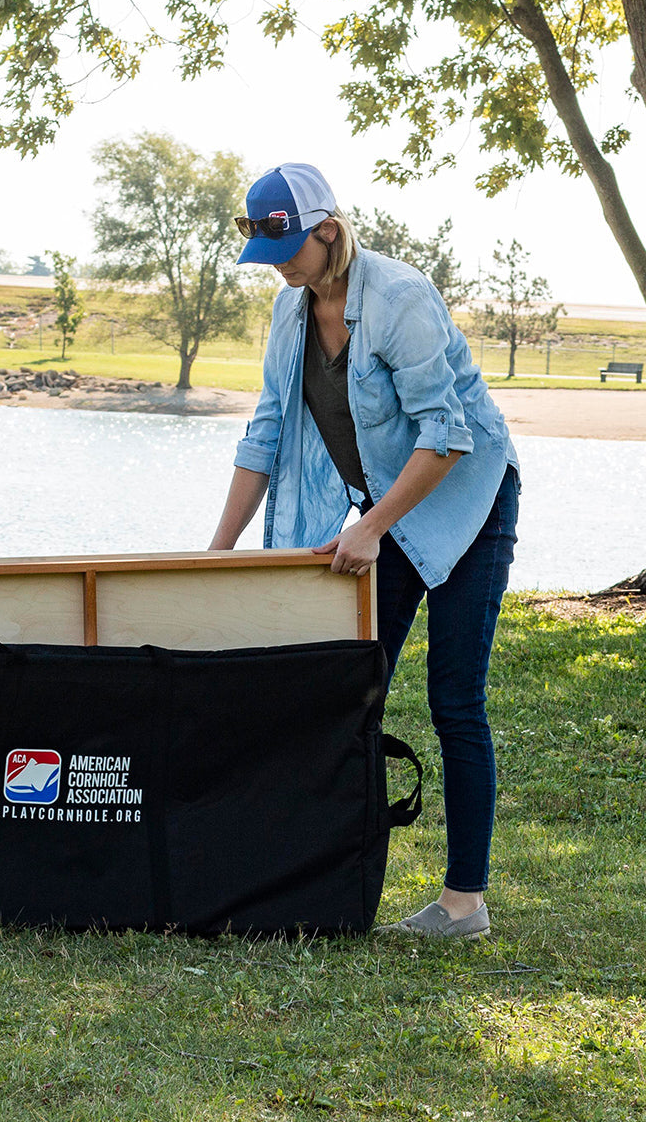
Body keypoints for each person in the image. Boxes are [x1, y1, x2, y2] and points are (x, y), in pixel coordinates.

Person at [209, 163, 518, 939]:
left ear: (329, 230)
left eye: (290, 248)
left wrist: (373, 526)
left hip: (465, 499)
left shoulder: (401, 298)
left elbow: (446, 435)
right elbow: (269, 430)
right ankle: (324, 880)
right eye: (267, 252)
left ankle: (464, 902)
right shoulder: (291, 311)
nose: (279, 267)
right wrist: (218, 550)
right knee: (344, 688)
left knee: (455, 697)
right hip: (384, 509)